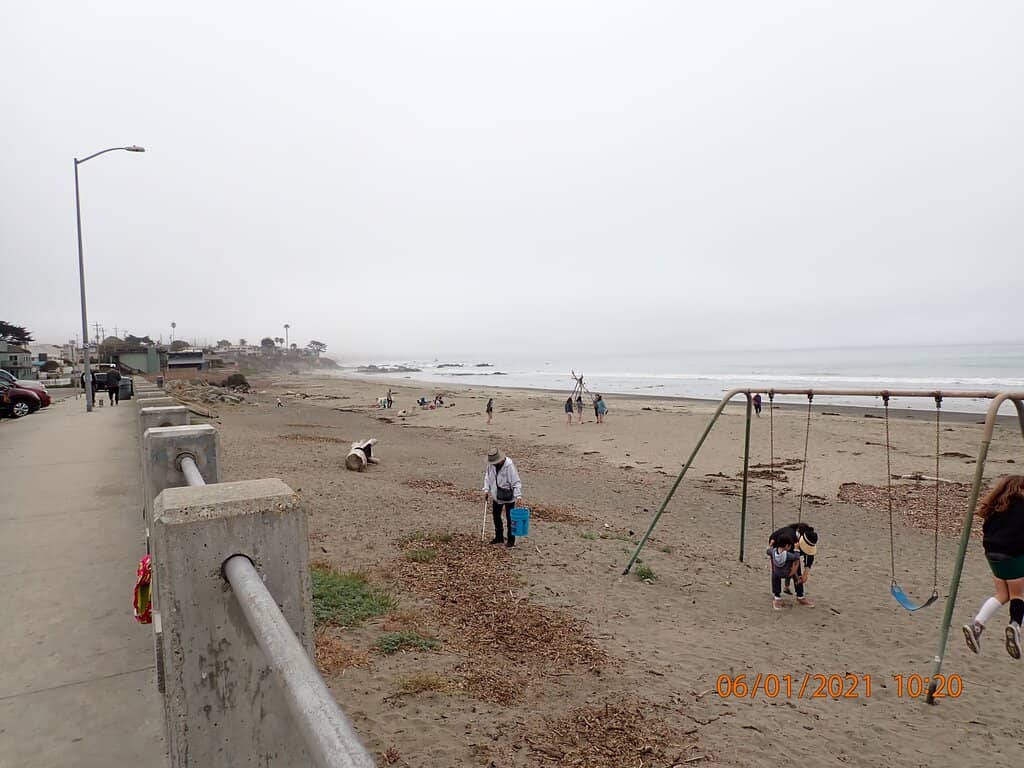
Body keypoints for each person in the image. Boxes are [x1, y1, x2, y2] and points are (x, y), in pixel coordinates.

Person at [962, 475, 1024, 658]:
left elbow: (987, 530)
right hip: (1013, 555)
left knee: (1002, 594)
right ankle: (1015, 625)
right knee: (1018, 594)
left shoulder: (996, 507)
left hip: (992, 555)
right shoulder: (1021, 507)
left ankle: (977, 625)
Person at [482, 447, 523, 548]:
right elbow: (487, 477)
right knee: (496, 516)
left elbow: (516, 481)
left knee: (510, 519)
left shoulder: (509, 466)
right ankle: (499, 537)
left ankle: (511, 540)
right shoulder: (491, 466)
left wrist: (518, 495)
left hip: (509, 495)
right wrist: (486, 489)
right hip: (496, 495)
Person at [766, 528, 814, 609]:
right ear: (787, 546)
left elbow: (768, 551)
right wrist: (796, 549)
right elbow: (796, 557)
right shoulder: (788, 553)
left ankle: (778, 597)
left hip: (777, 571)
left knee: (776, 570)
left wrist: (770, 545)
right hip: (787, 573)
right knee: (795, 564)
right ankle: (799, 596)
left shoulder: (773, 551)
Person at [770, 522, 818, 597]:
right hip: (778, 547)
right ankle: (777, 596)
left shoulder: (807, 539)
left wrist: (805, 574)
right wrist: (794, 571)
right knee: (777, 570)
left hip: (793, 550)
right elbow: (794, 562)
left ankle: (800, 595)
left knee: (796, 569)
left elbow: (809, 556)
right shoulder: (788, 537)